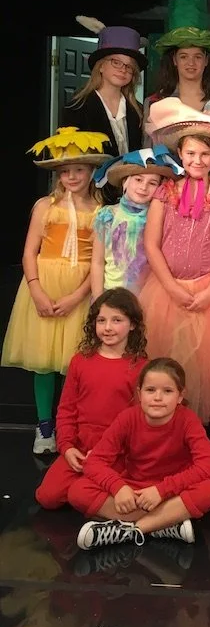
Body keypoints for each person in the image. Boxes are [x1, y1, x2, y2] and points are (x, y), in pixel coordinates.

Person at [141, 98, 210, 421]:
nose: (197, 160)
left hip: (209, 293)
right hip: (166, 291)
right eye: (190, 153)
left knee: (205, 369)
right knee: (165, 364)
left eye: (204, 154)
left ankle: (200, 434)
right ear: (180, 154)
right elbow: (151, 244)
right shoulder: (164, 193)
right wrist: (171, 288)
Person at [2, 128, 108, 454]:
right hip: (45, 285)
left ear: (92, 172)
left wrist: (78, 296)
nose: (71, 176)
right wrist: (36, 290)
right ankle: (44, 425)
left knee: (76, 360)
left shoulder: (101, 211)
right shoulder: (45, 206)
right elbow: (29, 252)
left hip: (79, 290)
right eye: (65, 171)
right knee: (44, 360)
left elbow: (100, 261)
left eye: (79, 169)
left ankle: (70, 426)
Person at [69, 358, 210, 550]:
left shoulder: (188, 420)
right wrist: (118, 487)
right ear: (140, 394)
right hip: (135, 491)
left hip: (171, 492)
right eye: (150, 390)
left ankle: (131, 531)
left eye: (167, 391)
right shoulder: (127, 418)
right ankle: (164, 523)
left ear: (180, 396)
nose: (158, 397)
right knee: (77, 491)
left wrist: (162, 491)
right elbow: (94, 461)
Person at [35, 288, 148, 510]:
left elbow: (140, 422)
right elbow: (67, 409)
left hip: (114, 453)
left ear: (132, 324)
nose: (108, 327)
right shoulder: (80, 361)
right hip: (79, 447)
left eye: (117, 320)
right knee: (47, 497)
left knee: (83, 493)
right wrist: (67, 447)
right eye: (101, 320)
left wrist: (110, 453)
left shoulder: (140, 367)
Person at [90, 147, 183, 298]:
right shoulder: (108, 215)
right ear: (125, 182)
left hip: (148, 296)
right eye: (138, 180)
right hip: (111, 294)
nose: (143, 187)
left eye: (152, 183)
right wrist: (98, 299)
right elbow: (97, 262)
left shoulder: (159, 217)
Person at [143, 0, 210, 138]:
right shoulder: (154, 103)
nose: (191, 63)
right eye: (183, 56)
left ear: (206, 60)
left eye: (197, 56)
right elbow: (148, 148)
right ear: (174, 60)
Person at [64, 19, 147, 158]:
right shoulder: (77, 107)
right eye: (116, 62)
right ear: (101, 66)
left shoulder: (138, 111)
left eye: (129, 66)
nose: (123, 69)